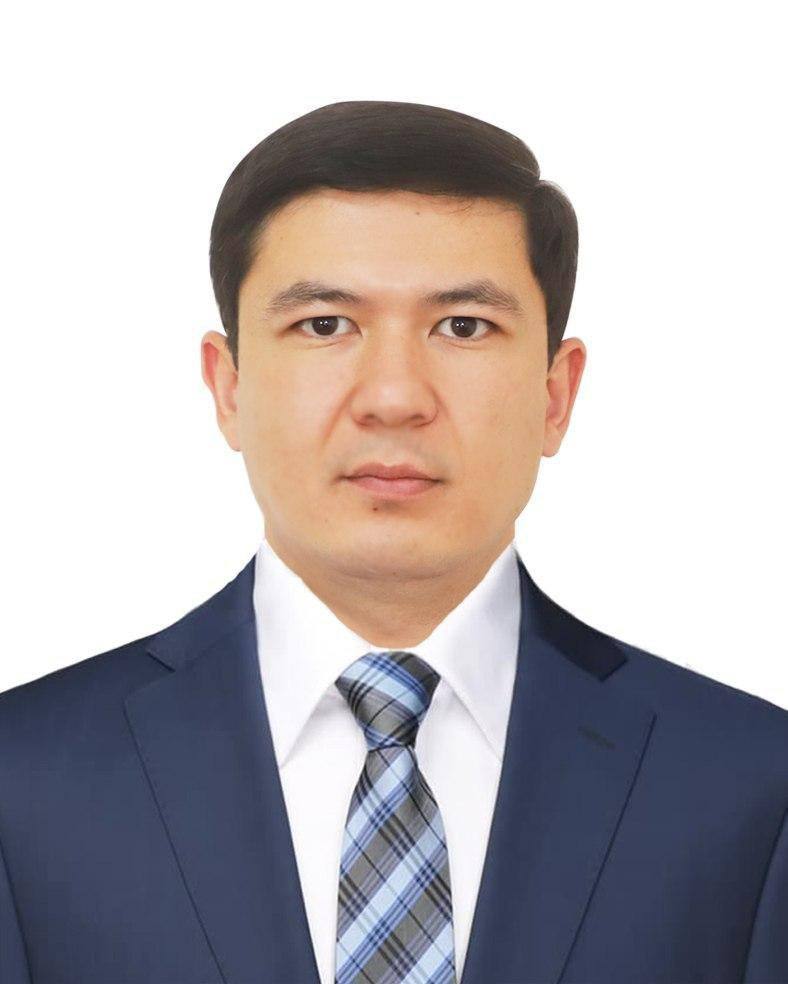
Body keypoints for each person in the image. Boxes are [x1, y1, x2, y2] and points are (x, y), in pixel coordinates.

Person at [0, 100, 785, 984]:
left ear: (555, 395)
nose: (395, 398)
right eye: (325, 325)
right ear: (228, 388)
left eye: (463, 326)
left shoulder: (749, 786)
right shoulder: (23, 783)